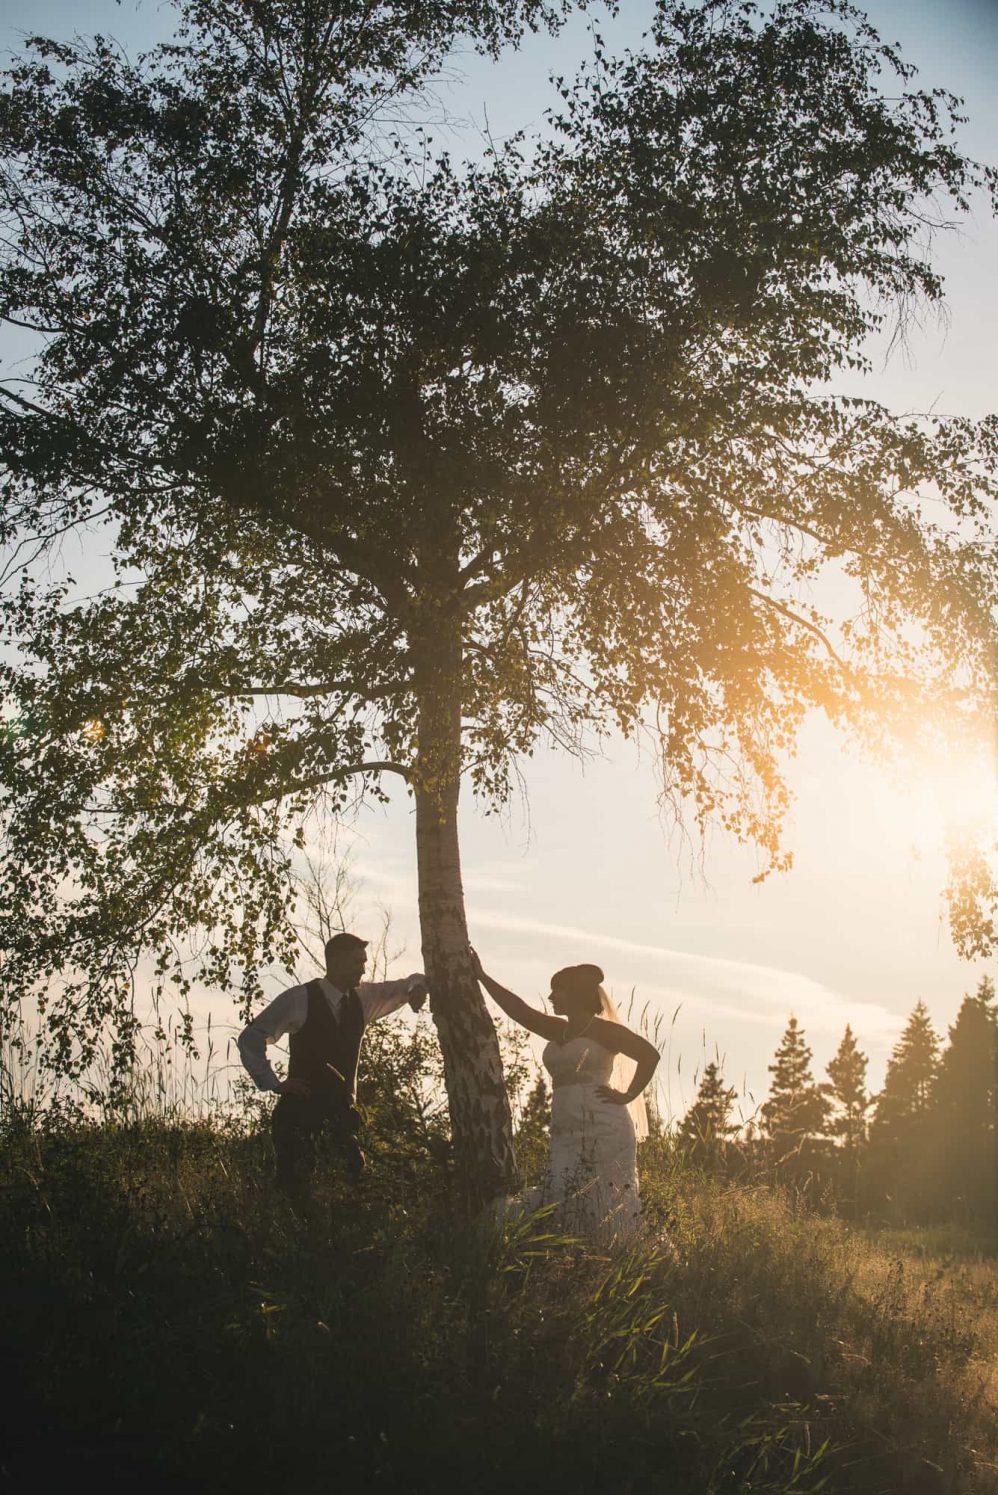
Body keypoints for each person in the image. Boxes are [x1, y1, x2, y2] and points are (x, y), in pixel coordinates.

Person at [470, 950, 659, 1243]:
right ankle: (570, 1253)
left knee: (605, 1197)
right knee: (559, 1189)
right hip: (565, 1130)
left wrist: (627, 1095)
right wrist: (482, 977)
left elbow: (649, 1055)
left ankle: (611, 1256)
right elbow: (519, 1011)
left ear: (575, 994)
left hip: (606, 1127)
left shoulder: (605, 1031)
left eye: (557, 990)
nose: (551, 996)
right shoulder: (557, 1029)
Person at [237, 932, 428, 1203]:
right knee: (295, 1193)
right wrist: (273, 1082)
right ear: (336, 963)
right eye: (357, 962)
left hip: (341, 1116)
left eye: (363, 962)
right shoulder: (299, 998)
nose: (363, 968)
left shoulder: (364, 999)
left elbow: (407, 984)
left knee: (353, 1185)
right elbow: (251, 1038)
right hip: (299, 1115)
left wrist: (417, 989)